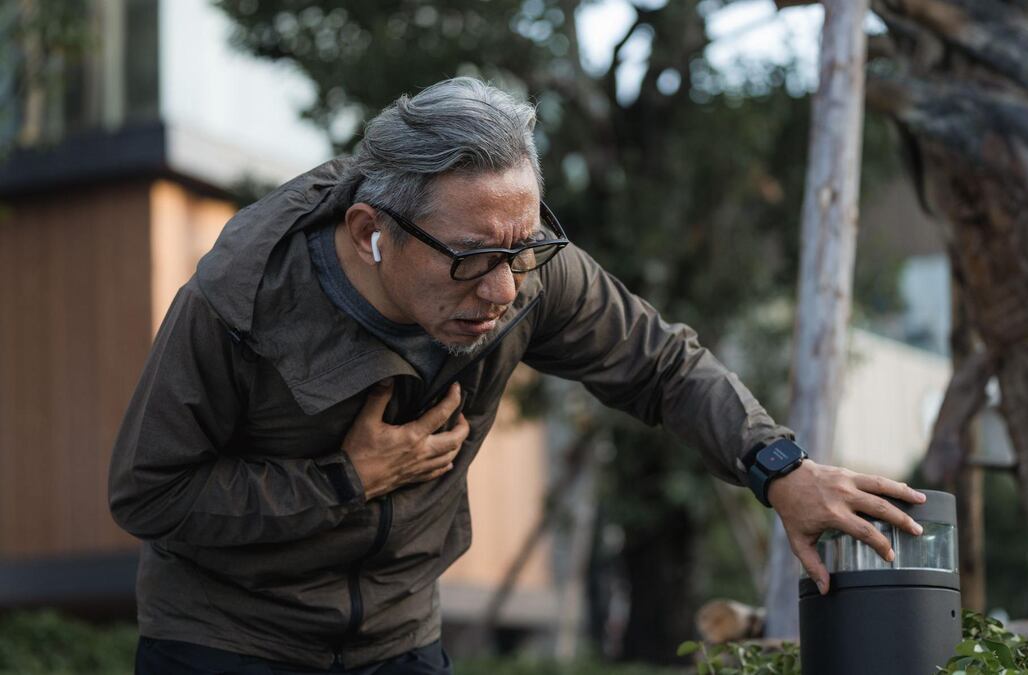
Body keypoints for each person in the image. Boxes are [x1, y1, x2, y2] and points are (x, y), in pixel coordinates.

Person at [109, 77, 926, 674]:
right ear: (371, 233)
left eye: (523, 249)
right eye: (471, 259)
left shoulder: (526, 271)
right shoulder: (240, 301)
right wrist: (343, 480)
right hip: (226, 638)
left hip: (399, 635)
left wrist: (778, 467)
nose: (503, 290)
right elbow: (149, 491)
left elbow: (663, 364)